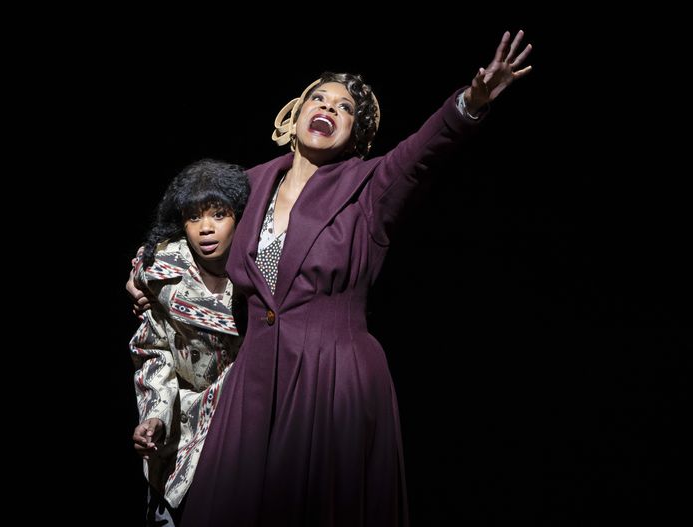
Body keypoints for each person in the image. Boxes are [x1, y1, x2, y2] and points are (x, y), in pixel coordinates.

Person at [127, 29, 532, 526]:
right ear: (295, 115)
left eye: (344, 108)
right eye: (318, 98)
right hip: (253, 381)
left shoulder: (368, 186)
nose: (329, 107)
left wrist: (470, 101)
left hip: (332, 376)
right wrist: (146, 272)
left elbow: (423, 152)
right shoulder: (248, 184)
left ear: (354, 134)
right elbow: (187, 222)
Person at [128, 159, 249, 526]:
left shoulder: (259, 277)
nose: (206, 228)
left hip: (244, 430)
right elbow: (154, 350)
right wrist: (155, 416)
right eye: (194, 217)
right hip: (182, 435)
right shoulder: (163, 276)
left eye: (218, 214)